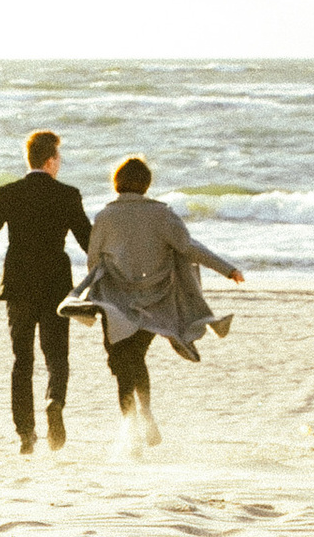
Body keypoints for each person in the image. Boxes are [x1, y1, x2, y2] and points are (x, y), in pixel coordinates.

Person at [65, 156, 245, 448]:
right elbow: (189, 248)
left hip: (115, 303)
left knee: (121, 360)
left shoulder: (104, 217)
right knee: (135, 357)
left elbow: (93, 262)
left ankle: (131, 422)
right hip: (153, 302)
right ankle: (144, 413)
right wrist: (227, 269)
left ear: (117, 184)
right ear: (146, 185)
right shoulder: (163, 214)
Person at [0, 130, 94, 452]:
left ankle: (26, 435)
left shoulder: (9, 193)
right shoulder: (68, 195)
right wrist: (114, 272)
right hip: (55, 285)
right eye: (59, 159)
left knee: (22, 360)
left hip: (19, 286)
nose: (59, 164)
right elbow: (88, 242)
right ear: (50, 161)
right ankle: (54, 402)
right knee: (56, 356)